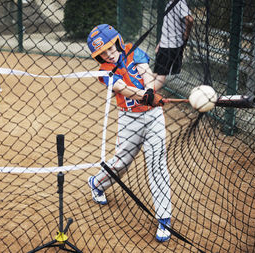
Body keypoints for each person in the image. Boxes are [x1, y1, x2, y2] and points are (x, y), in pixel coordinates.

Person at [87, 24, 173, 242]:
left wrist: (154, 84)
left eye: (110, 47)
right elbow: (122, 88)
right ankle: (97, 183)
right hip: (129, 119)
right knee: (121, 164)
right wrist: (145, 95)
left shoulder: (135, 52)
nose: (108, 53)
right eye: (102, 53)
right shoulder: (104, 71)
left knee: (157, 164)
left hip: (153, 117)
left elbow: (149, 80)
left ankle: (164, 217)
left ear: (117, 40)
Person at [154, 0, 194, 90]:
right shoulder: (169, 2)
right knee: (156, 73)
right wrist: (160, 43)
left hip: (171, 45)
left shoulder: (180, 2)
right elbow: (168, 26)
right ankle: (147, 94)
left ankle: (147, 96)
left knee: (161, 75)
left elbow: (190, 19)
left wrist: (186, 34)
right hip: (164, 44)